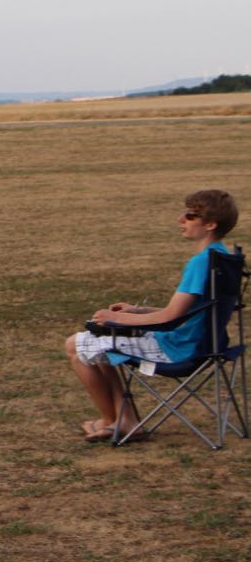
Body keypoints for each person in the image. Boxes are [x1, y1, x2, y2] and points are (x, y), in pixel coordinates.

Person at [66, 189, 239, 442]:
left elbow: (170, 316)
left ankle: (113, 421)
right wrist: (137, 311)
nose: (181, 219)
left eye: (190, 216)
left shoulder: (201, 263)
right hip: (204, 344)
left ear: (210, 224)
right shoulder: (223, 258)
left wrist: (117, 319)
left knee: (75, 344)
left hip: (178, 349)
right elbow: (192, 312)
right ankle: (124, 419)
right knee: (99, 342)